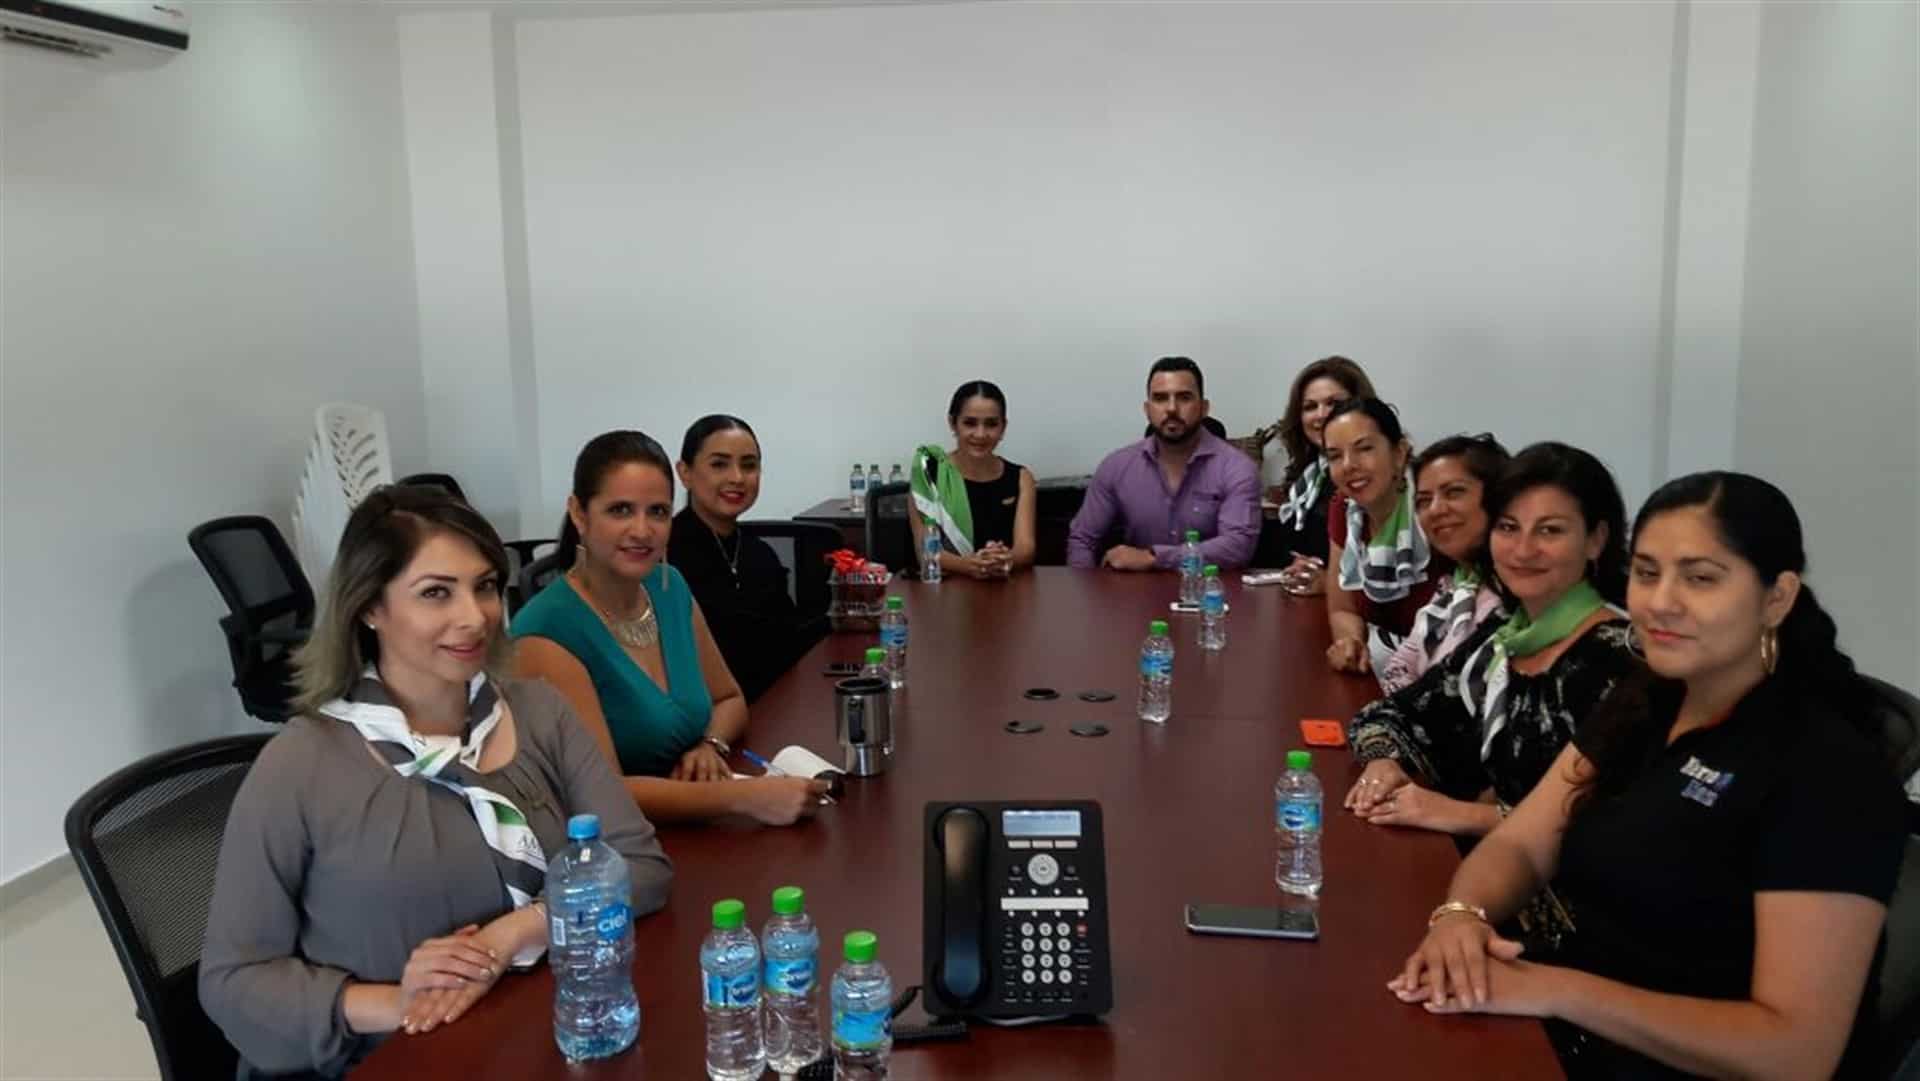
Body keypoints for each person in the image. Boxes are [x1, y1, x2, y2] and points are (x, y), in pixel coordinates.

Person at [1390, 472, 1908, 1080]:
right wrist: (1461, 914)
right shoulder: (1645, 700)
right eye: (1646, 572)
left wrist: (1555, 989)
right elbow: (1522, 843)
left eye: (1700, 578)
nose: (1661, 601)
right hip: (1563, 1034)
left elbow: (1795, 1052)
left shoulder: (1828, 769)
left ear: (1777, 597)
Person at [200, 485, 673, 1079]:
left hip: (546, 1025)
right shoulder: (299, 765)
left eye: (484, 586)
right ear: (369, 607)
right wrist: (401, 1001)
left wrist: (510, 936)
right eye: (435, 593)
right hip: (396, 1053)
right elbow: (233, 980)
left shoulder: (538, 712)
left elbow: (641, 865)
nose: (473, 617)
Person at [513, 430, 829, 825]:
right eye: (620, 510)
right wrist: (742, 797)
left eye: (658, 512)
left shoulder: (669, 587)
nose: (642, 530)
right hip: (617, 846)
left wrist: (709, 745)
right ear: (579, 513)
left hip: (695, 826)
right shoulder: (546, 632)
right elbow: (602, 791)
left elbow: (730, 699)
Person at [1344, 442, 1638, 839]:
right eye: (1508, 527)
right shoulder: (1508, 634)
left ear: (1596, 539)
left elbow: (1606, 829)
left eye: (1550, 530)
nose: (1523, 550)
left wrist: (1461, 814)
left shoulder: (1617, 658)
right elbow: (1391, 715)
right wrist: (1384, 763)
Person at [668, 415, 825, 702]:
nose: (737, 478)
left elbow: (787, 642)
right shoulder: (664, 556)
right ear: (685, 473)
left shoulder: (761, 553)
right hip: (706, 716)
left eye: (749, 465)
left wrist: (841, 618)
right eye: (719, 464)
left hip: (773, 707)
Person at [1066, 356, 1261, 572]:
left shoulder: (1237, 468)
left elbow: (1238, 546)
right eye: (1160, 398)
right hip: (1135, 591)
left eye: (1184, 398)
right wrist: (1087, 586)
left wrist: (1153, 558)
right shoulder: (1116, 467)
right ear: (1147, 409)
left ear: (1204, 407)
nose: (1171, 408)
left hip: (1211, 590)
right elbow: (1082, 540)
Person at [1321, 398, 1451, 674]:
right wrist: (1351, 643)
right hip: (1389, 664)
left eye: (1364, 448)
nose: (1348, 465)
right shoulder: (1344, 508)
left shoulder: (1433, 508)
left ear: (1399, 453)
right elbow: (1343, 608)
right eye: (1335, 456)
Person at [1376, 433, 1511, 693]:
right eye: (1424, 501)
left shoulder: (1513, 596)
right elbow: (1402, 663)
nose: (1436, 510)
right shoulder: (1453, 585)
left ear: (1499, 498)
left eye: (1454, 492)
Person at [909, 380, 1038, 580]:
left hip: (1002, 588)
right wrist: (971, 565)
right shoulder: (929, 473)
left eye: (991, 424)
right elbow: (925, 551)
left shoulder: (1021, 478)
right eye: (970, 423)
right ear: (953, 423)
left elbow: (1025, 548)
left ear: (1003, 427)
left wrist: (1003, 558)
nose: (980, 434)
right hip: (943, 589)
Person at [1269, 356, 1378, 588]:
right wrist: (1298, 565)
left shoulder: (1378, 475)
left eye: (1333, 403)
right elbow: (1291, 546)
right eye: (1310, 407)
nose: (1321, 414)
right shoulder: (1309, 476)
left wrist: (1329, 583)